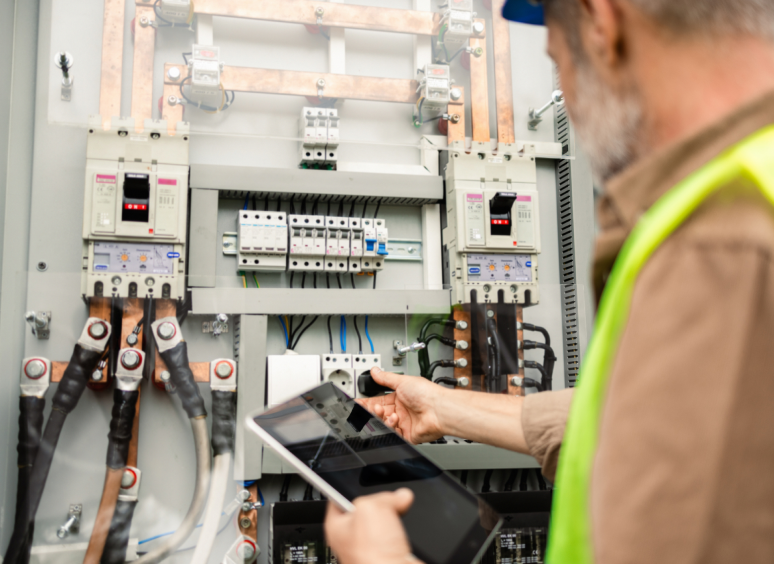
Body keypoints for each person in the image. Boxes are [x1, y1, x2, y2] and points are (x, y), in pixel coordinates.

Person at [326, 0, 774, 563]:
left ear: (601, 24)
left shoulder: (716, 241)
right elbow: (630, 423)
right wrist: (445, 407)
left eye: (557, 60)